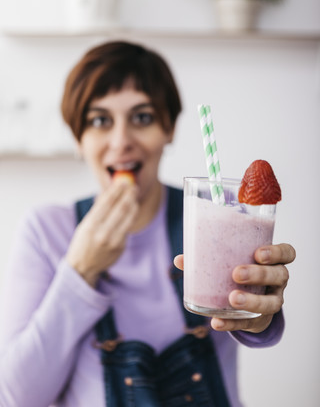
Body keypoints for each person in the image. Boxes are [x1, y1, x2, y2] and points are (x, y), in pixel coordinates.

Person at [0, 40, 295, 407]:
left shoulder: (212, 217)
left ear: (168, 129)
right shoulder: (46, 230)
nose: (121, 141)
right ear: (78, 139)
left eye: (142, 117)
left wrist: (261, 316)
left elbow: (254, 321)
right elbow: (16, 396)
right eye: (99, 121)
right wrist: (79, 271)